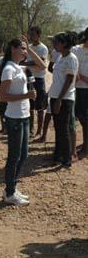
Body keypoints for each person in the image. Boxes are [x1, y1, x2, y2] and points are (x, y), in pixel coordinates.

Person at [0, 36, 45, 206]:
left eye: (26, 49)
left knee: (23, 154)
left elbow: (42, 66)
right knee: (14, 156)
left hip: (24, 116)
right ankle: (10, 192)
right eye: (23, 48)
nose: (26, 51)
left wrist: (31, 49)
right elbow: (3, 96)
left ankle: (11, 187)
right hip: (15, 118)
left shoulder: (19, 67)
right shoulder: (9, 69)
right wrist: (26, 95)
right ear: (13, 49)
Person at [49, 32, 79, 167]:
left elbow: (69, 80)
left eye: (56, 42)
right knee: (58, 128)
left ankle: (66, 159)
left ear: (64, 44)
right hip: (55, 96)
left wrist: (60, 99)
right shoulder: (60, 57)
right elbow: (57, 79)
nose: (54, 45)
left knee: (64, 129)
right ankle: (58, 155)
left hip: (64, 98)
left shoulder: (71, 58)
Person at [25, 27, 49, 136]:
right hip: (29, 78)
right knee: (30, 105)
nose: (31, 36)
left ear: (39, 35)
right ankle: (31, 129)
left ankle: (39, 130)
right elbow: (31, 62)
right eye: (30, 34)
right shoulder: (28, 47)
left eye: (33, 34)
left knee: (40, 106)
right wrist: (31, 63)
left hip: (39, 79)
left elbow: (41, 65)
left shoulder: (43, 48)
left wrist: (28, 64)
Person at [37, 42, 61, 143]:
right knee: (49, 111)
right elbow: (50, 67)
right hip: (56, 85)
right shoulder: (55, 52)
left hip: (66, 89)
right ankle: (44, 135)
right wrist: (57, 73)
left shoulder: (72, 56)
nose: (54, 45)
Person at [73, 28, 88, 156]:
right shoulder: (76, 50)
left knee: (85, 119)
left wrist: (81, 77)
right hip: (78, 89)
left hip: (84, 90)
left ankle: (86, 146)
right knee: (81, 118)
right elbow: (73, 70)